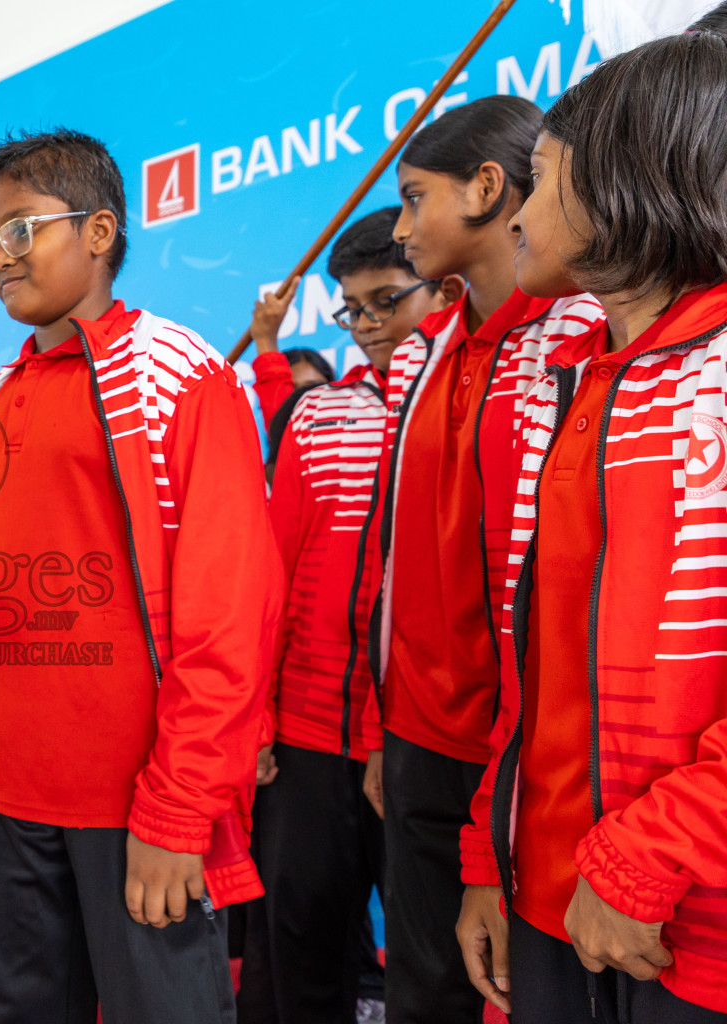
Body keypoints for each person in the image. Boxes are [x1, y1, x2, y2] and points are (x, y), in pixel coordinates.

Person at [0, 128, 284, 1024]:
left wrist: (179, 812)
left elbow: (231, 614)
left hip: (138, 806)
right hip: (4, 798)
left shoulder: (182, 376)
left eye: (20, 230)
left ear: (99, 231)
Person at [454, 34, 727, 1022]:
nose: (518, 216)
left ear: (625, 176)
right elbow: (533, 664)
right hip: (553, 902)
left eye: (542, 181)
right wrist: (493, 849)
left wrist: (647, 856)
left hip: (683, 934)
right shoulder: (559, 380)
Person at [366, 96, 605, 1024]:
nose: (400, 226)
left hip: (529, 755)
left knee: (512, 994)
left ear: (489, 189)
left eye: (416, 198)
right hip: (419, 738)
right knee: (424, 989)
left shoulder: (580, 343)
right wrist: (382, 724)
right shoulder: (427, 353)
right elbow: (400, 555)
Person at [238, 207, 459, 1024]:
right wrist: (256, 715)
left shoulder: (473, 401)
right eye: (351, 308)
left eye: (386, 302)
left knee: (432, 967)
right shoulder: (320, 415)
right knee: (292, 952)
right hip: (305, 738)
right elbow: (272, 575)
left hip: (418, 737)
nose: (367, 327)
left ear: (442, 289)